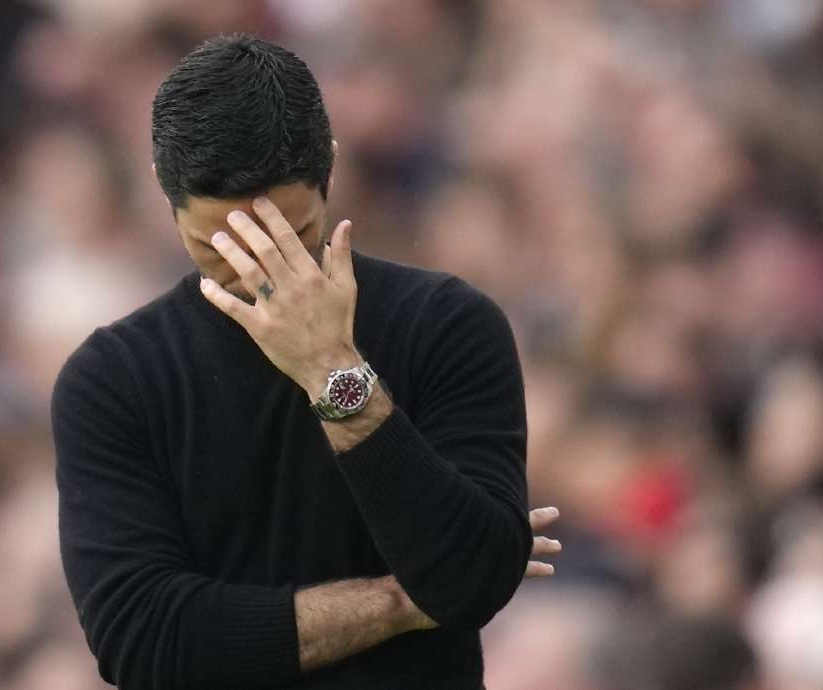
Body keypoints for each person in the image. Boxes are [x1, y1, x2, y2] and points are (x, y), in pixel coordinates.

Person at [52, 33, 560, 689]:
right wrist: (402, 602)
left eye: (290, 235)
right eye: (219, 245)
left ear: (332, 168)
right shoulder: (114, 379)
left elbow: (467, 583)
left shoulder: (447, 324)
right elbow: (145, 642)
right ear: (161, 185)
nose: (257, 267)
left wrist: (331, 368)